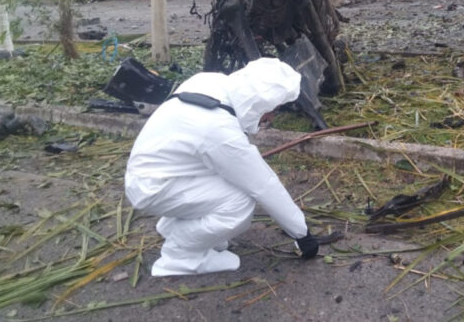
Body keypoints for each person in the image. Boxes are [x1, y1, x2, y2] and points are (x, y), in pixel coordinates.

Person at [125, 58, 319, 277]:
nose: (272, 116)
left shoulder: (210, 82)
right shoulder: (217, 129)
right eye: (272, 109)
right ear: (257, 103)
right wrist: (302, 234)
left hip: (158, 174)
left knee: (229, 185)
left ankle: (177, 230)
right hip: (154, 187)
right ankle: (180, 256)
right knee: (239, 203)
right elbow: (262, 184)